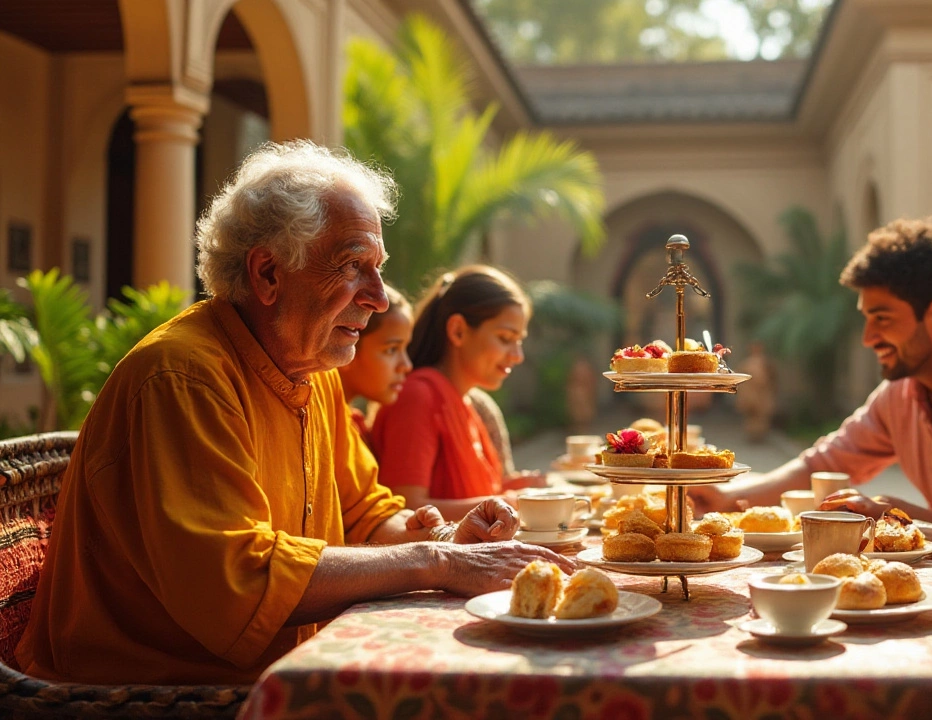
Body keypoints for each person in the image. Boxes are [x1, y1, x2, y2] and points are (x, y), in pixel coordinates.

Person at [15, 141, 573, 686]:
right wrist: (430, 560)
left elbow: (365, 514)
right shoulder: (183, 377)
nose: (378, 297)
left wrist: (449, 539)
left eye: (377, 269)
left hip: (282, 673)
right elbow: (237, 578)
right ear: (267, 275)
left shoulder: (314, 371)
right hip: (154, 696)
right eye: (354, 266)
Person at [689, 219, 932, 560]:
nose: (868, 338)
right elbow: (824, 464)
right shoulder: (900, 392)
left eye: (882, 319)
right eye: (866, 319)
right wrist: (726, 497)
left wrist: (895, 513)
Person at [371, 265, 544, 520]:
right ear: (458, 331)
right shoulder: (417, 396)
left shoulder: (469, 404)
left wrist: (512, 492)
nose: (517, 356)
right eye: (505, 338)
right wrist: (503, 502)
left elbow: (462, 495)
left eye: (519, 341)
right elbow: (405, 508)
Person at [337, 283, 413, 445]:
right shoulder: (318, 423)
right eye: (392, 350)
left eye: (405, 348)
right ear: (347, 346)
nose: (406, 365)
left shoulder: (356, 429)